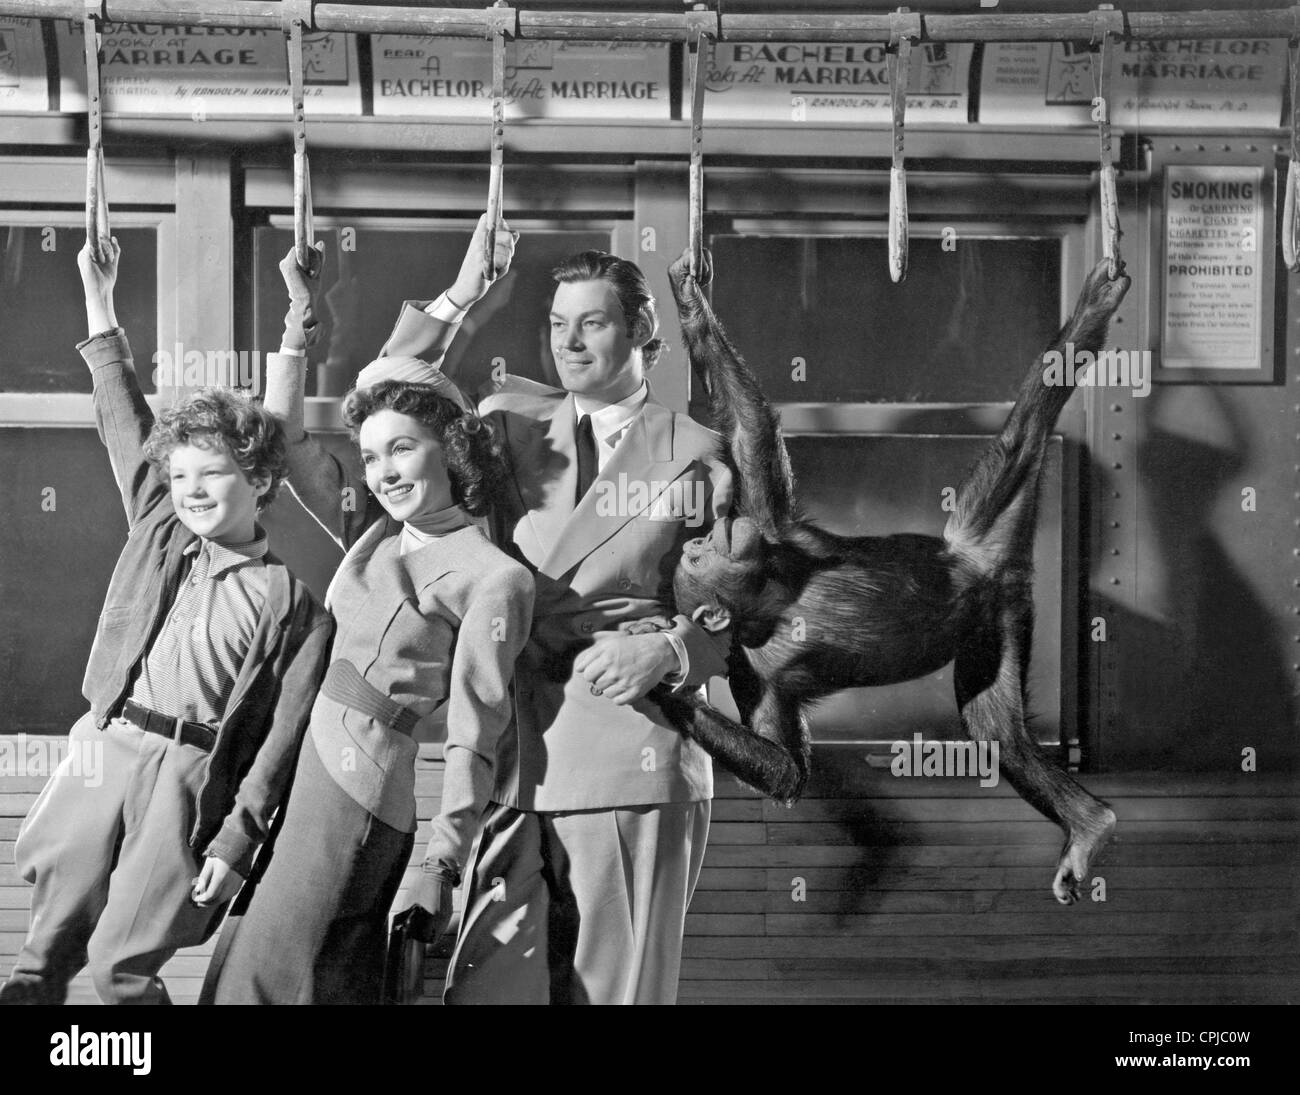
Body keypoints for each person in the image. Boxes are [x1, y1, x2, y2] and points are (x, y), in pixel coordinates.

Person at [380, 218, 734, 1004]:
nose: (569, 343)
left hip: (632, 749)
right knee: (484, 992)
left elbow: (758, 609)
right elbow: (387, 400)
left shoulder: (700, 453)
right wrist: (461, 293)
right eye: (556, 324)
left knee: (614, 995)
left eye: (593, 322)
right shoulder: (508, 420)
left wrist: (675, 652)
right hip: (509, 758)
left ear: (644, 331)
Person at [200, 237, 534, 1004]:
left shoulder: (496, 577)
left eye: (403, 449)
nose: (382, 473)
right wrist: (298, 319)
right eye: (372, 454)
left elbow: (474, 737)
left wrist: (442, 862)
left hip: (360, 791)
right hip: (306, 777)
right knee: (252, 976)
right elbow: (273, 463)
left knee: (290, 983)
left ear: (450, 448)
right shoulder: (368, 547)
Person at [0, 238, 333, 1006]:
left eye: (211, 472)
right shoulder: (159, 526)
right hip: (108, 742)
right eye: (178, 475)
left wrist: (239, 838)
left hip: (191, 774)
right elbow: (122, 410)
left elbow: (280, 741)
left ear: (259, 478)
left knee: (123, 967)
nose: (189, 490)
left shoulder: (296, 602)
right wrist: (100, 300)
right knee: (41, 956)